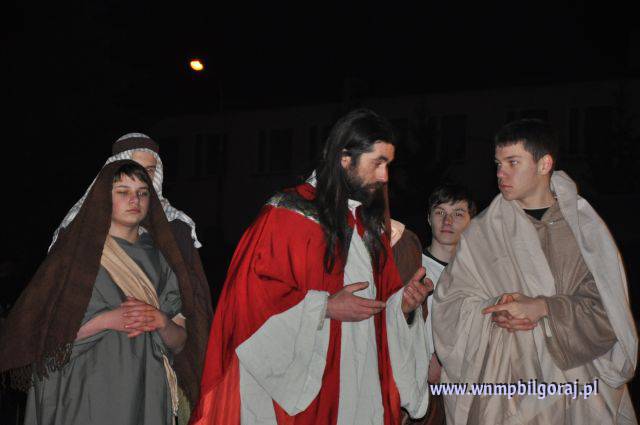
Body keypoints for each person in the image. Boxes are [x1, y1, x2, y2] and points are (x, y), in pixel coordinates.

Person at [190, 109, 432, 424]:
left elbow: (384, 304)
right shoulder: (288, 215)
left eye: (388, 165)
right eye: (378, 163)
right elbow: (248, 300)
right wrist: (325, 308)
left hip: (363, 385)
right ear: (345, 159)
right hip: (311, 393)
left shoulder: (369, 224)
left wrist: (404, 306)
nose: (385, 176)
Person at [431, 119, 637, 424]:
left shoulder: (583, 229)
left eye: (513, 162)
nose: (500, 173)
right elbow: (449, 305)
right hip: (508, 392)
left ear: (544, 164)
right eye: (498, 164)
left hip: (580, 391)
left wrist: (543, 307)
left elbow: (611, 312)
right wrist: (496, 309)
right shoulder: (482, 233)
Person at [0, 160, 211, 424]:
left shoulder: (162, 260)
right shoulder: (74, 255)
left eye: (142, 192)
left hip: (145, 390)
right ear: (103, 197)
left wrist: (161, 322)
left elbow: (179, 342)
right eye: (123, 192)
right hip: (83, 390)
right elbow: (41, 335)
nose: (135, 200)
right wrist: (106, 320)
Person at [419, 184, 476, 425]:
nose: (447, 221)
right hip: (422, 389)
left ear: (471, 222)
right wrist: (425, 359)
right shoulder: (412, 267)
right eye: (440, 212)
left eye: (458, 213)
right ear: (429, 218)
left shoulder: (480, 276)